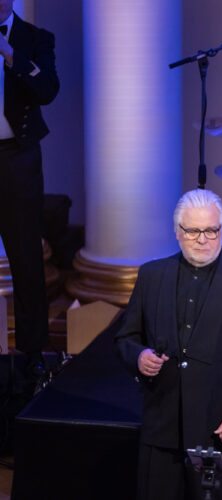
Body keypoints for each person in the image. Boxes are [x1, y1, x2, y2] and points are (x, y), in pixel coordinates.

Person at [115, 189, 222, 500]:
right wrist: (139, 357)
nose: (203, 239)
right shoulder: (152, 275)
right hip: (161, 427)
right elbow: (126, 337)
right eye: (193, 231)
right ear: (178, 232)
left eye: (212, 230)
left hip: (218, 430)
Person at [0, 1, 60, 382]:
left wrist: (10, 54)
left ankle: (33, 352)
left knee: (25, 255)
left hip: (16, 158)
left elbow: (47, 90)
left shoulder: (35, 39)